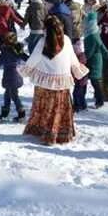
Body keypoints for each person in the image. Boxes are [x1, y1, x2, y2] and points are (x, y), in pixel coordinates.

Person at [20, 16, 89, 145]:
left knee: (44, 107)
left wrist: (25, 70)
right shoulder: (67, 40)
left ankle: (41, 129)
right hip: (62, 82)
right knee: (59, 108)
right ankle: (60, 132)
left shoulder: (43, 42)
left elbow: (33, 59)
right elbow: (72, 59)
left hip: (45, 82)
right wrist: (77, 71)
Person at [80, 8, 108, 109]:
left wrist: (83, 57)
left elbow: (90, 50)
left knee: (95, 82)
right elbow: (101, 47)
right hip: (94, 60)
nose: (84, 23)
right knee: (94, 81)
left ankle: (100, 100)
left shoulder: (92, 35)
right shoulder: (93, 32)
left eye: (86, 21)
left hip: (94, 62)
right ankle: (98, 99)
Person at [0, 32, 28, 122]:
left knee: (13, 94)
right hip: (17, 75)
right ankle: (5, 112)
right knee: (8, 94)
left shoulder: (6, 52)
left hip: (10, 77)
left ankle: (21, 113)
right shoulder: (18, 50)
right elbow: (27, 58)